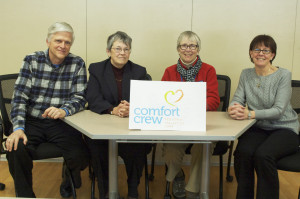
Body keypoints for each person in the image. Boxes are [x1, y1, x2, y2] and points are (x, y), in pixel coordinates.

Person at [5, 22, 89, 198]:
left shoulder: (77, 63)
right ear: (48, 41)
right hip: (32, 120)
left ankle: (69, 178)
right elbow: (19, 97)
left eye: (67, 42)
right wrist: (18, 128)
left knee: (80, 154)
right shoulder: (32, 60)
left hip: (61, 122)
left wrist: (63, 111)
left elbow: (80, 97)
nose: (63, 46)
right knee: (15, 148)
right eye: (58, 41)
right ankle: (26, 195)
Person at [228, 34, 299, 199]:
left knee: (263, 155)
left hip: (285, 129)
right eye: (257, 49)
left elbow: (279, 110)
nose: (261, 53)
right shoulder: (246, 74)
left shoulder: (283, 75)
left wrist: (249, 114)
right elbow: (238, 99)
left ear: (272, 55)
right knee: (243, 153)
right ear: (251, 53)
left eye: (266, 50)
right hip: (258, 127)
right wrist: (233, 108)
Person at [86, 31, 152, 199]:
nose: (122, 53)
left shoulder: (139, 71)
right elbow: (92, 98)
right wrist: (113, 110)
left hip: (129, 127)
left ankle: (132, 189)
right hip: (103, 127)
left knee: (138, 146)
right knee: (97, 148)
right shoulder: (96, 69)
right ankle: (106, 191)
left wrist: (132, 108)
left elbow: (149, 99)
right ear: (108, 51)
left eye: (126, 49)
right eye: (118, 48)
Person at [161, 31, 220, 199]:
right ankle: (178, 175)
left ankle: (193, 191)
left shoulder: (209, 70)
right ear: (178, 49)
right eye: (184, 46)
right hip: (177, 124)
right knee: (170, 151)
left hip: (203, 124)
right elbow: (162, 99)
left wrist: (191, 107)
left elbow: (214, 100)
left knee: (203, 147)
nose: (188, 49)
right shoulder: (169, 71)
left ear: (198, 49)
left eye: (192, 46)